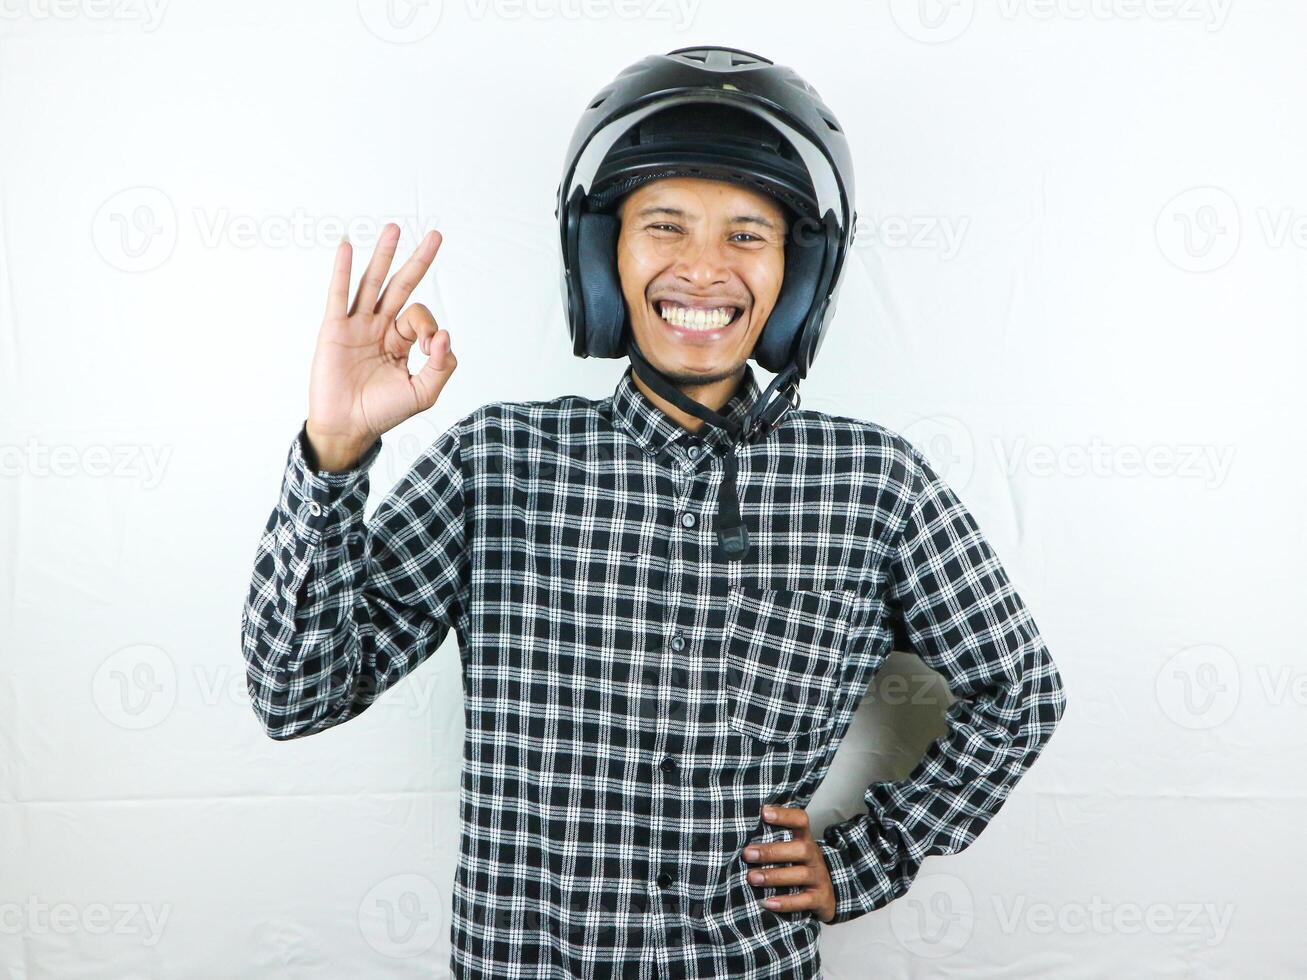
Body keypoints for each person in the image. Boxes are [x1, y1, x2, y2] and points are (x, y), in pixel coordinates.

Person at [241, 45, 1067, 980]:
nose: (703, 268)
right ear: (604, 257)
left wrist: (865, 861)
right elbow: (294, 694)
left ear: (797, 277)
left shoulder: (873, 484)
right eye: (664, 225)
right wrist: (334, 452)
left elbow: (1020, 692)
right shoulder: (495, 461)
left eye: (746, 235)